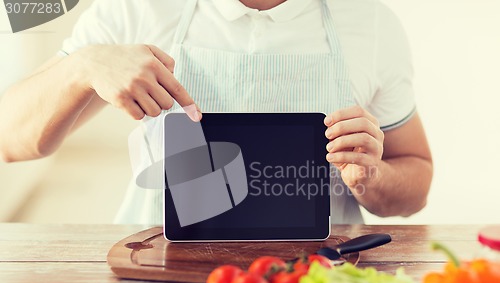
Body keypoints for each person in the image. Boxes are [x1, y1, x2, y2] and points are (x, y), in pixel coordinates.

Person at [0, 0, 433, 225]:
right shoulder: (138, 8)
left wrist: (373, 177)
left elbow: (415, 181)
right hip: (154, 281)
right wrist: (82, 66)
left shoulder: (370, 23)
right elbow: (10, 138)